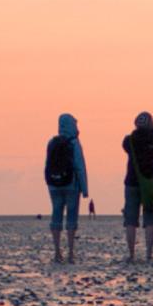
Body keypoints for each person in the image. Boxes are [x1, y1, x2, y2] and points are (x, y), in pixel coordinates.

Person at [120, 111, 153, 262]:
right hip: (149, 182)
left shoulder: (129, 140)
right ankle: (148, 253)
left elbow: (126, 147)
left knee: (131, 219)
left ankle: (131, 254)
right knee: (150, 217)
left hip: (131, 181)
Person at [43, 112, 89, 262]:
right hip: (71, 184)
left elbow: (47, 165)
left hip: (54, 184)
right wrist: (85, 188)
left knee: (56, 215)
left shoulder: (51, 142)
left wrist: (49, 183)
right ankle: (70, 252)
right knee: (71, 216)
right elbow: (80, 166)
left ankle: (57, 252)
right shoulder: (74, 142)